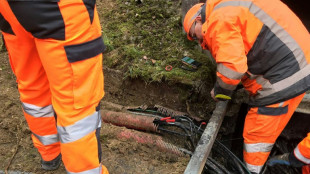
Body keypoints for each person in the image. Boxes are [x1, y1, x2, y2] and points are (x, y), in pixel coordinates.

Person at [183, 0, 310, 173]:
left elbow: (232, 69)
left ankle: (249, 170)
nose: (200, 42)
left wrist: (221, 90)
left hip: (285, 77)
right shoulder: (228, 8)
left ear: (199, 19)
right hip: (295, 66)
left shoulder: (218, 19)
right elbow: (246, 50)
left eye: (196, 35)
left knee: (255, 139)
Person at [0, 1, 108, 173]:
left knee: (33, 84)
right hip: (59, 8)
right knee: (77, 105)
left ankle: (50, 153)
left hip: (9, 8)